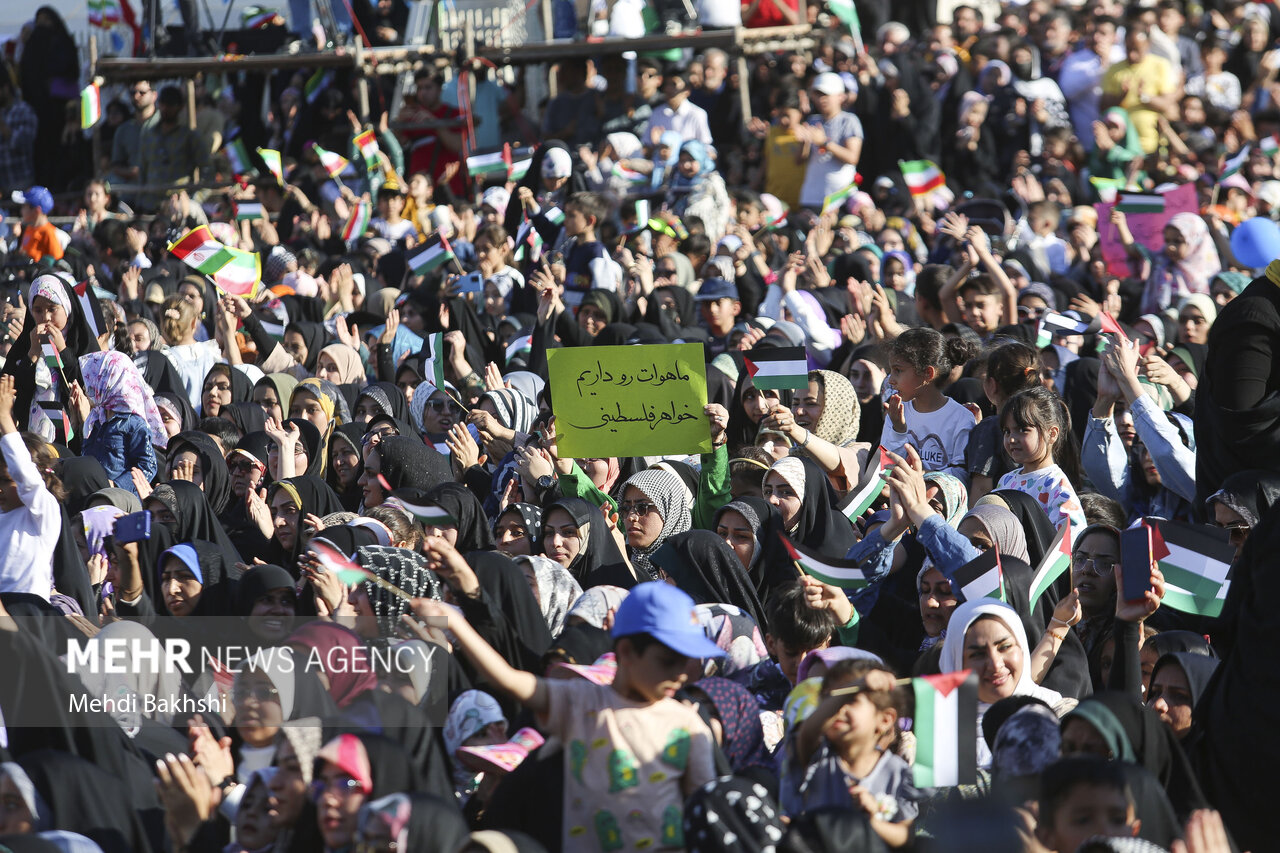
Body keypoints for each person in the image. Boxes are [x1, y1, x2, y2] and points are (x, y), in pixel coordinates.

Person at [410, 582, 721, 851]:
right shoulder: (580, 702)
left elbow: (703, 811)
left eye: (685, 661)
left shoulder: (688, 725)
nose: (681, 674)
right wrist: (455, 624)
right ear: (626, 651)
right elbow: (509, 680)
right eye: (668, 660)